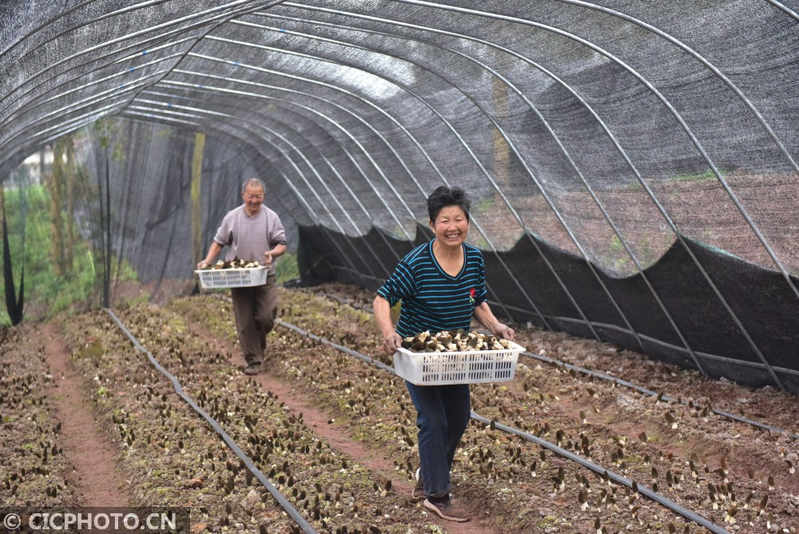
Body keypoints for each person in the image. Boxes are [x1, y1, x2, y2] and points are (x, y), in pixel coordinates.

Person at [373, 186, 514, 523]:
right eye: (445, 220)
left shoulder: (475, 259)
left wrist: (495, 325)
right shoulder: (417, 263)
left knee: (459, 417)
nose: (453, 227)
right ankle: (437, 495)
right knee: (433, 420)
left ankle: (429, 475)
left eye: (459, 219)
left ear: (468, 222)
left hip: (453, 355)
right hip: (418, 356)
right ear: (432, 225)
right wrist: (389, 332)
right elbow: (382, 298)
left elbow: (476, 299)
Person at [197, 178, 287, 376]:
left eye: (258, 196)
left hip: (264, 275)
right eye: (250, 196)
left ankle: (258, 341)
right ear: (243, 195)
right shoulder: (232, 217)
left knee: (265, 317)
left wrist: (271, 254)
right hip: (239, 276)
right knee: (245, 321)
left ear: (264, 196)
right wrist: (207, 261)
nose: (254, 200)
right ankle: (253, 359)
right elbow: (219, 242)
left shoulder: (271, 218)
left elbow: (281, 244)